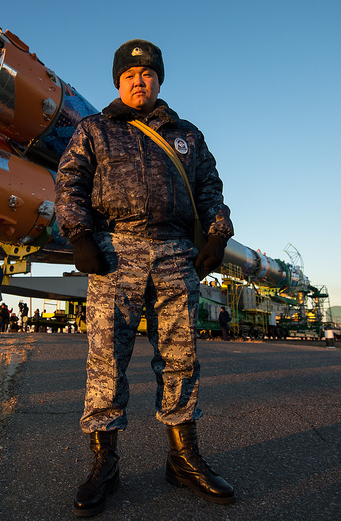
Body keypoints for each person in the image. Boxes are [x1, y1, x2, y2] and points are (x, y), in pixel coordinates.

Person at [55, 40, 235, 515]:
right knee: (106, 361)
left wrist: (216, 235)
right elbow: (70, 182)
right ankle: (105, 464)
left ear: (159, 80)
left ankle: (183, 459)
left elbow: (210, 189)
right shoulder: (94, 130)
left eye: (148, 73)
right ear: (118, 82)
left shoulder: (187, 135)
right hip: (116, 253)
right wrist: (79, 234)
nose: (140, 81)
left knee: (180, 359)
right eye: (130, 75)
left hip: (175, 254)